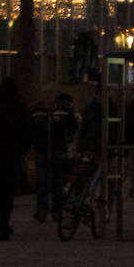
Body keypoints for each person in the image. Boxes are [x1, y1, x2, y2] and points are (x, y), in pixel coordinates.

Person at [0, 79, 32, 240]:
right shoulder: (18, 110)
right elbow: (26, 133)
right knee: (7, 193)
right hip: (10, 156)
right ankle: (3, 226)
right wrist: (22, 150)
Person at [32, 92, 78, 222]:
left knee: (57, 183)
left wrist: (66, 140)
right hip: (43, 151)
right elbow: (31, 129)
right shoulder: (37, 112)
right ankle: (43, 210)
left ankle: (56, 210)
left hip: (58, 152)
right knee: (42, 183)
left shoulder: (63, 112)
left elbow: (73, 126)